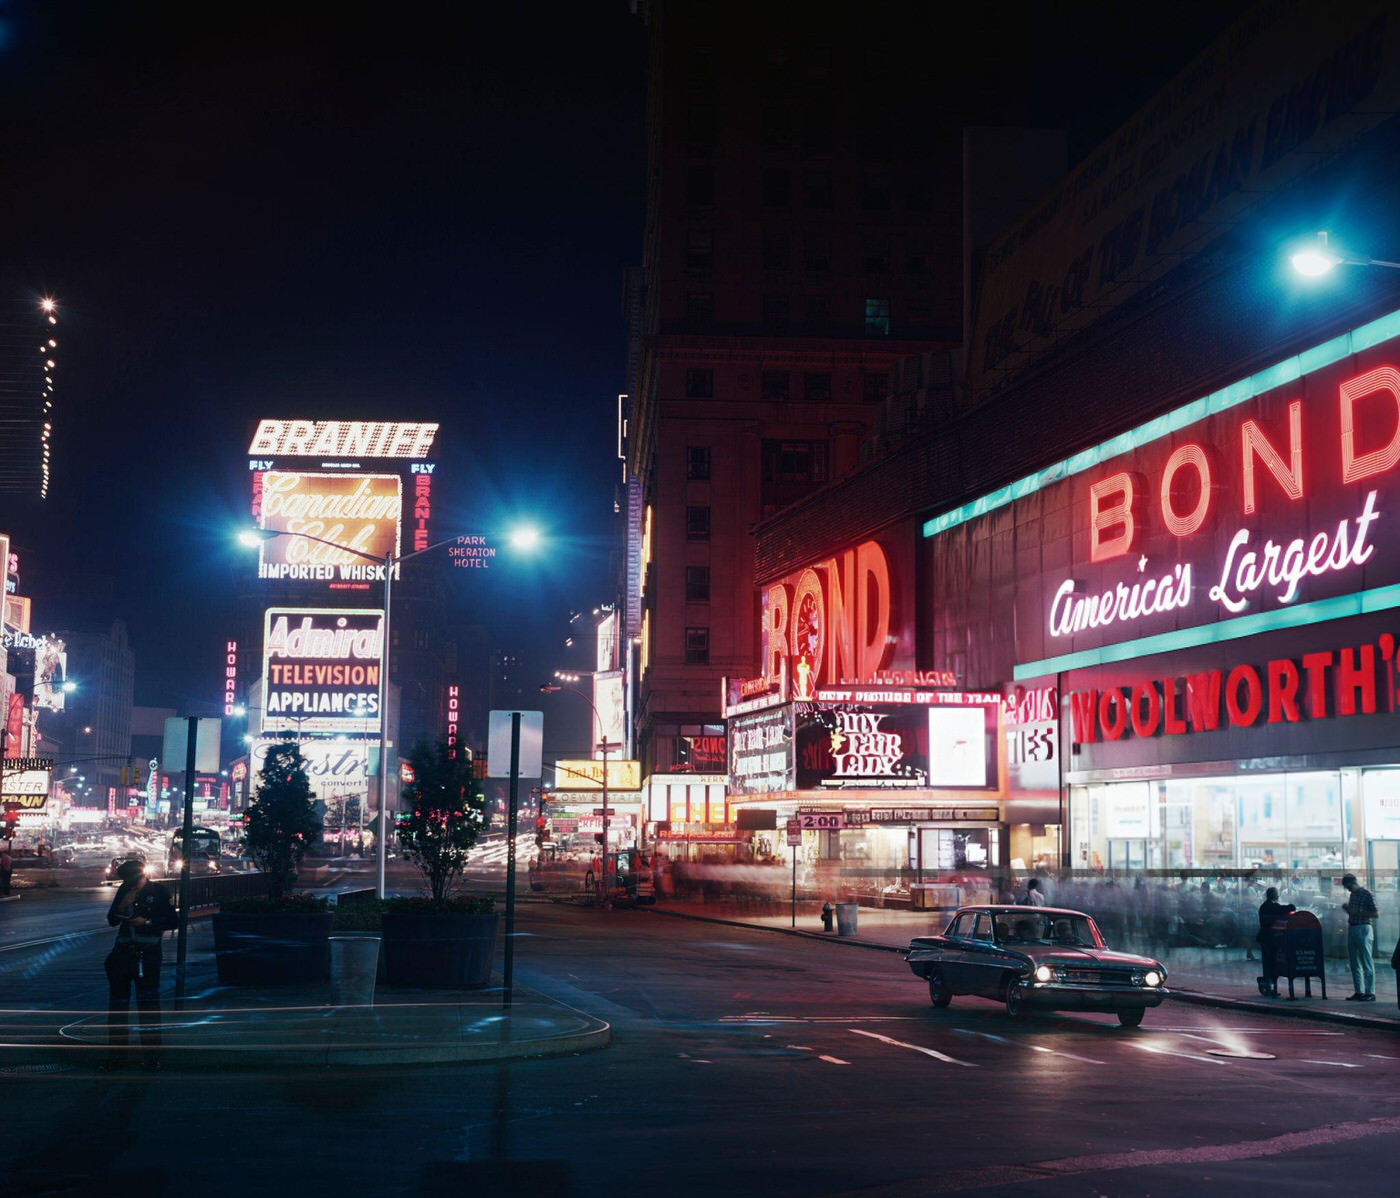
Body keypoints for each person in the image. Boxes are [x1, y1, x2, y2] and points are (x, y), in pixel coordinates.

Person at [103, 860, 178, 1069]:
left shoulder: (159, 892)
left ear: (142, 876)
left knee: (148, 1007)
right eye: (127, 881)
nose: (131, 885)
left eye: (133, 881)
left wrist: (147, 921)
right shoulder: (124, 890)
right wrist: (122, 906)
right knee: (118, 1007)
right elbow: (112, 919)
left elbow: (172, 920)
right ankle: (116, 1057)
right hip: (123, 953)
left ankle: (152, 1057)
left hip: (148, 954)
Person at [1341, 873, 1378, 1002]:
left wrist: (1357, 912)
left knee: (1366, 961)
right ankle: (1359, 991)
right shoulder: (1352, 895)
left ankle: (1370, 992)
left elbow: (1375, 913)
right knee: (1354, 962)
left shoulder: (1367, 894)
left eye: (1348, 886)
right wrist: (1348, 910)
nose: (1348, 889)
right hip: (1353, 927)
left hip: (1364, 928)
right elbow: (1352, 913)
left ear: (1353, 883)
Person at [1255, 887, 1295, 997]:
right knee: (1271, 962)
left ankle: (1267, 985)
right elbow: (1290, 907)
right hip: (1270, 938)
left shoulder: (1264, 906)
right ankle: (1266, 983)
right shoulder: (1272, 906)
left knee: (1267, 963)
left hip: (1265, 938)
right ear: (1274, 895)